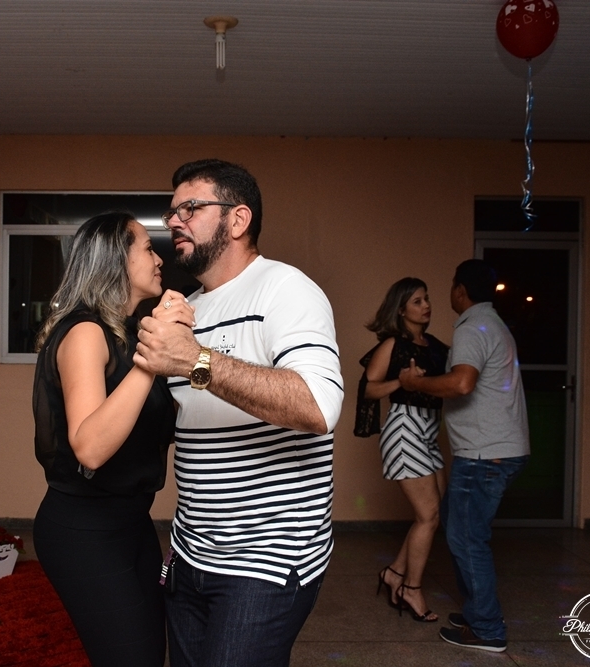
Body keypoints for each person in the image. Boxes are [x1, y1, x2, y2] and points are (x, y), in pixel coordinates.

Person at [134, 159, 344, 667]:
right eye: (172, 211)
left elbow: (319, 406)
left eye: (190, 208)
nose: (174, 221)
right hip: (190, 553)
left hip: (265, 561)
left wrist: (195, 361)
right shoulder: (191, 308)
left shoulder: (286, 288)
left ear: (238, 219)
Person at [31, 211, 193, 667]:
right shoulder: (86, 332)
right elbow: (90, 449)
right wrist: (153, 358)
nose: (159, 259)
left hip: (132, 522)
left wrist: (187, 351)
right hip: (83, 529)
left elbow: (158, 424)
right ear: (115, 260)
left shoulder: (127, 333)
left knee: (148, 653)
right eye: (148, 248)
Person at [398, 259, 530, 653]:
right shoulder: (493, 324)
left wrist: (416, 384)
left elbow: (462, 383)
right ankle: (477, 612)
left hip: (485, 454)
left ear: (460, 290)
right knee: (461, 531)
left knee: (468, 539)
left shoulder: (473, 327)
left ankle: (487, 628)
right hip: (496, 449)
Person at [360, 277, 448, 622]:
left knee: (432, 514)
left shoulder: (435, 346)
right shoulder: (392, 344)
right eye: (417, 301)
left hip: (429, 430)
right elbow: (369, 389)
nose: (426, 306)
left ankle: (394, 572)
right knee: (429, 515)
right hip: (404, 429)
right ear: (400, 310)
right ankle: (411, 588)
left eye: (427, 299)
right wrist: (402, 381)